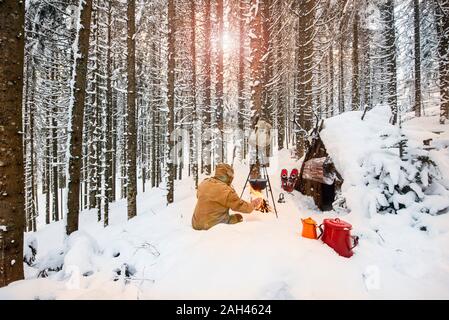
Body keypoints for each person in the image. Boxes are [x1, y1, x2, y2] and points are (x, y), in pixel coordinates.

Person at [192, 163, 262, 230]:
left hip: (196, 224)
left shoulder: (204, 183)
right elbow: (240, 206)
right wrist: (253, 205)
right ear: (228, 176)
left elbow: (199, 196)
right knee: (239, 217)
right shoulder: (226, 191)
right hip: (213, 225)